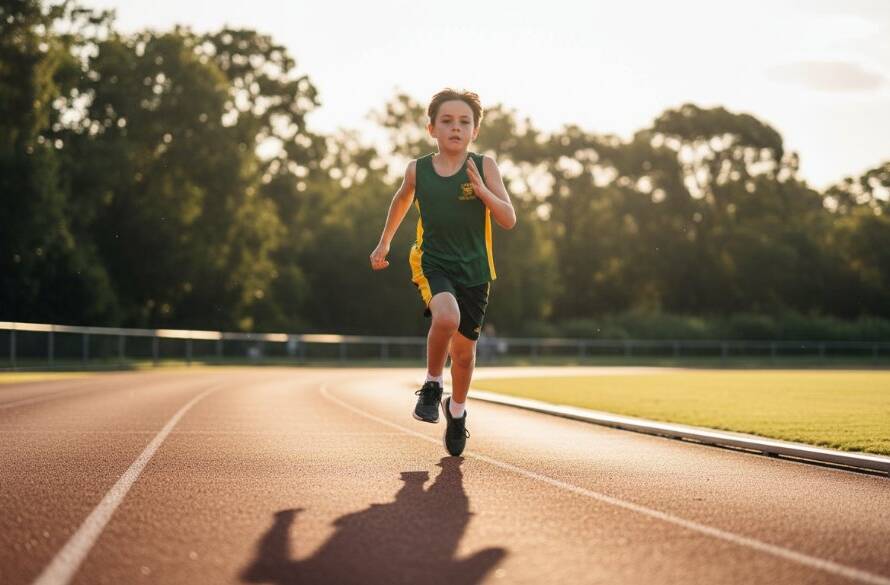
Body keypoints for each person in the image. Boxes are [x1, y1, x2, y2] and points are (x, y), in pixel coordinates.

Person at [370, 88, 516, 456]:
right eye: (447, 121)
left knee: (464, 355)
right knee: (446, 317)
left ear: (475, 131)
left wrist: (483, 191)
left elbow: (508, 219)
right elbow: (401, 198)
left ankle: (458, 411)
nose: (456, 128)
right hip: (432, 261)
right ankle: (433, 384)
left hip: (476, 271)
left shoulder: (485, 166)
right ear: (431, 128)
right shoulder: (418, 169)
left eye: (464, 122)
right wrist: (385, 242)